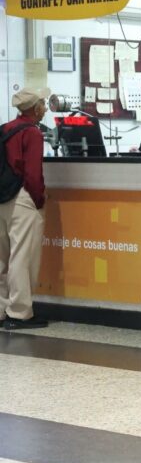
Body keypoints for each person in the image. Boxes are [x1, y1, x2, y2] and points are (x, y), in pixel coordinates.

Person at [0, 88, 50, 330]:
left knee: (2, 257)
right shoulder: (32, 133)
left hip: (2, 197)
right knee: (22, 256)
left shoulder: (4, 129)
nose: (46, 107)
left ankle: (1, 309)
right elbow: (32, 174)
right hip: (22, 198)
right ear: (35, 108)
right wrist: (38, 199)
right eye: (43, 103)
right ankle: (19, 312)